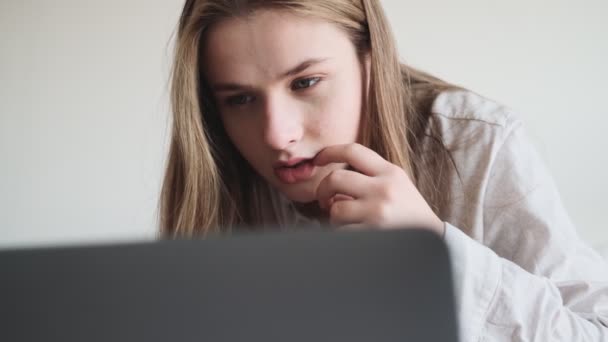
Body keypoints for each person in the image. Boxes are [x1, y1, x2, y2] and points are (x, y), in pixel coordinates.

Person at [159, 0, 608, 340]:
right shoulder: (219, 177)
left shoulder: (476, 142)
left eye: (306, 83)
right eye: (240, 99)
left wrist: (438, 248)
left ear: (369, 64)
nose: (277, 135)